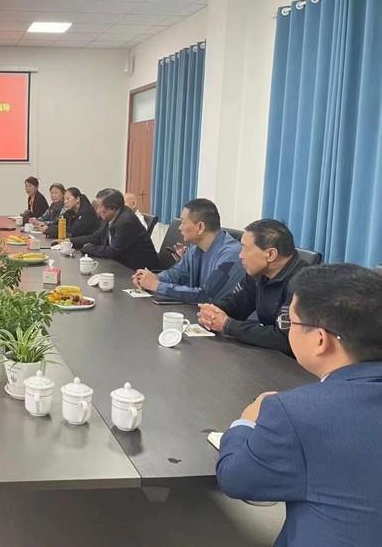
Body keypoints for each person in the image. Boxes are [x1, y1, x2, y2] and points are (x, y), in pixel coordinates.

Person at [216, 264, 382, 547]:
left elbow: (235, 479)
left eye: (289, 322)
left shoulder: (295, 412)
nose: (287, 329)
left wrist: (246, 422)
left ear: (320, 340)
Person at [198, 219, 308, 355]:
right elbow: (237, 303)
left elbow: (285, 339)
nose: (240, 255)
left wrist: (228, 325)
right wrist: (213, 312)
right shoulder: (258, 273)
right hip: (269, 354)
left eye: (245, 249)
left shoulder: (303, 284)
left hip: (292, 362)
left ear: (270, 255)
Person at [132, 199, 243, 303]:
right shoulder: (194, 247)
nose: (180, 227)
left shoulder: (230, 254)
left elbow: (207, 296)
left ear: (200, 227)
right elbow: (176, 274)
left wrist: (156, 286)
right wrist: (153, 278)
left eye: (183, 222)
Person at [80, 190, 159, 270]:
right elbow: (95, 237)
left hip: (140, 269)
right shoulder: (110, 217)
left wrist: (89, 249)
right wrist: (73, 241)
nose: (98, 211)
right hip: (122, 264)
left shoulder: (126, 221)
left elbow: (113, 251)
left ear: (112, 208)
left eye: (100, 207)